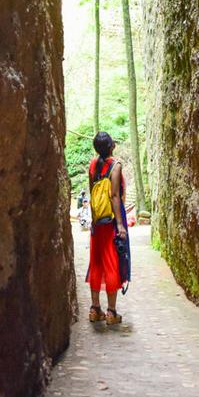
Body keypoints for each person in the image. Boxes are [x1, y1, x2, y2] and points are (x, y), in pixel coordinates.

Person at [86, 131, 130, 325]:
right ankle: (111, 312)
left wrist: (94, 218)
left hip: (98, 221)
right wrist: (120, 224)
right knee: (112, 262)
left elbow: (91, 191)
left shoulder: (93, 165)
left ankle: (95, 309)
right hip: (111, 220)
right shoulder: (115, 166)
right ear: (111, 146)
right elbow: (114, 196)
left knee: (96, 262)